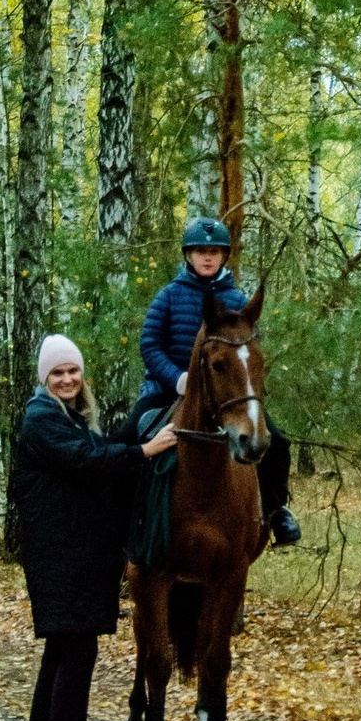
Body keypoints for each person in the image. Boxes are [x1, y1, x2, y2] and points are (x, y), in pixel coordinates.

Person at [14, 334, 178, 721]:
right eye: (57, 372)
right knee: (74, 657)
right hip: (63, 557)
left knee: (62, 656)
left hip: (73, 555)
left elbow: (98, 455)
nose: (67, 379)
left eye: (73, 371)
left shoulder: (69, 418)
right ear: (44, 378)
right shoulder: (42, 418)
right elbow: (85, 461)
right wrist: (147, 450)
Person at [137, 217, 301, 547]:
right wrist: (177, 378)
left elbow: (248, 353)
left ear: (224, 256)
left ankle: (276, 511)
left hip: (225, 395)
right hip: (168, 391)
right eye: (200, 251)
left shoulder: (237, 301)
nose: (207, 257)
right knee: (129, 435)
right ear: (188, 255)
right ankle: (123, 517)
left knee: (277, 443)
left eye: (214, 252)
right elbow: (150, 344)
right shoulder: (169, 296)